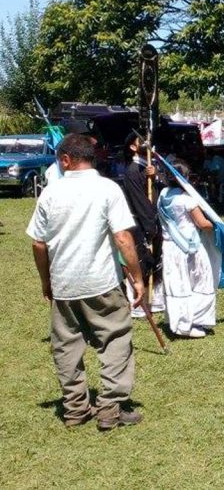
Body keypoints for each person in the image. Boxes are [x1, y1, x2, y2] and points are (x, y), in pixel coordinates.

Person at [26, 134, 145, 431]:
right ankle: (109, 409)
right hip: (102, 282)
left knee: (66, 347)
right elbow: (122, 237)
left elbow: (38, 244)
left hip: (64, 283)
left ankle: (76, 409)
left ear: (66, 159)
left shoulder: (50, 194)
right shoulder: (108, 189)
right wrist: (138, 278)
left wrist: (46, 281)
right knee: (115, 340)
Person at [157, 161, 216, 338]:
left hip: (169, 246)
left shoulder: (163, 195)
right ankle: (188, 324)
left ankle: (178, 321)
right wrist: (216, 226)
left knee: (177, 284)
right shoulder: (187, 200)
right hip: (189, 246)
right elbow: (202, 223)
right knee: (198, 281)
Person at [120, 134, 165, 318]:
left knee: (155, 260)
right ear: (132, 147)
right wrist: (150, 226)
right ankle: (140, 304)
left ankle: (155, 300)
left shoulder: (148, 168)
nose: (147, 144)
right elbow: (140, 202)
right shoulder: (132, 171)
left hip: (153, 220)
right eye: (142, 142)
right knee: (142, 261)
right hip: (141, 223)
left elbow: (161, 190)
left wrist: (156, 177)